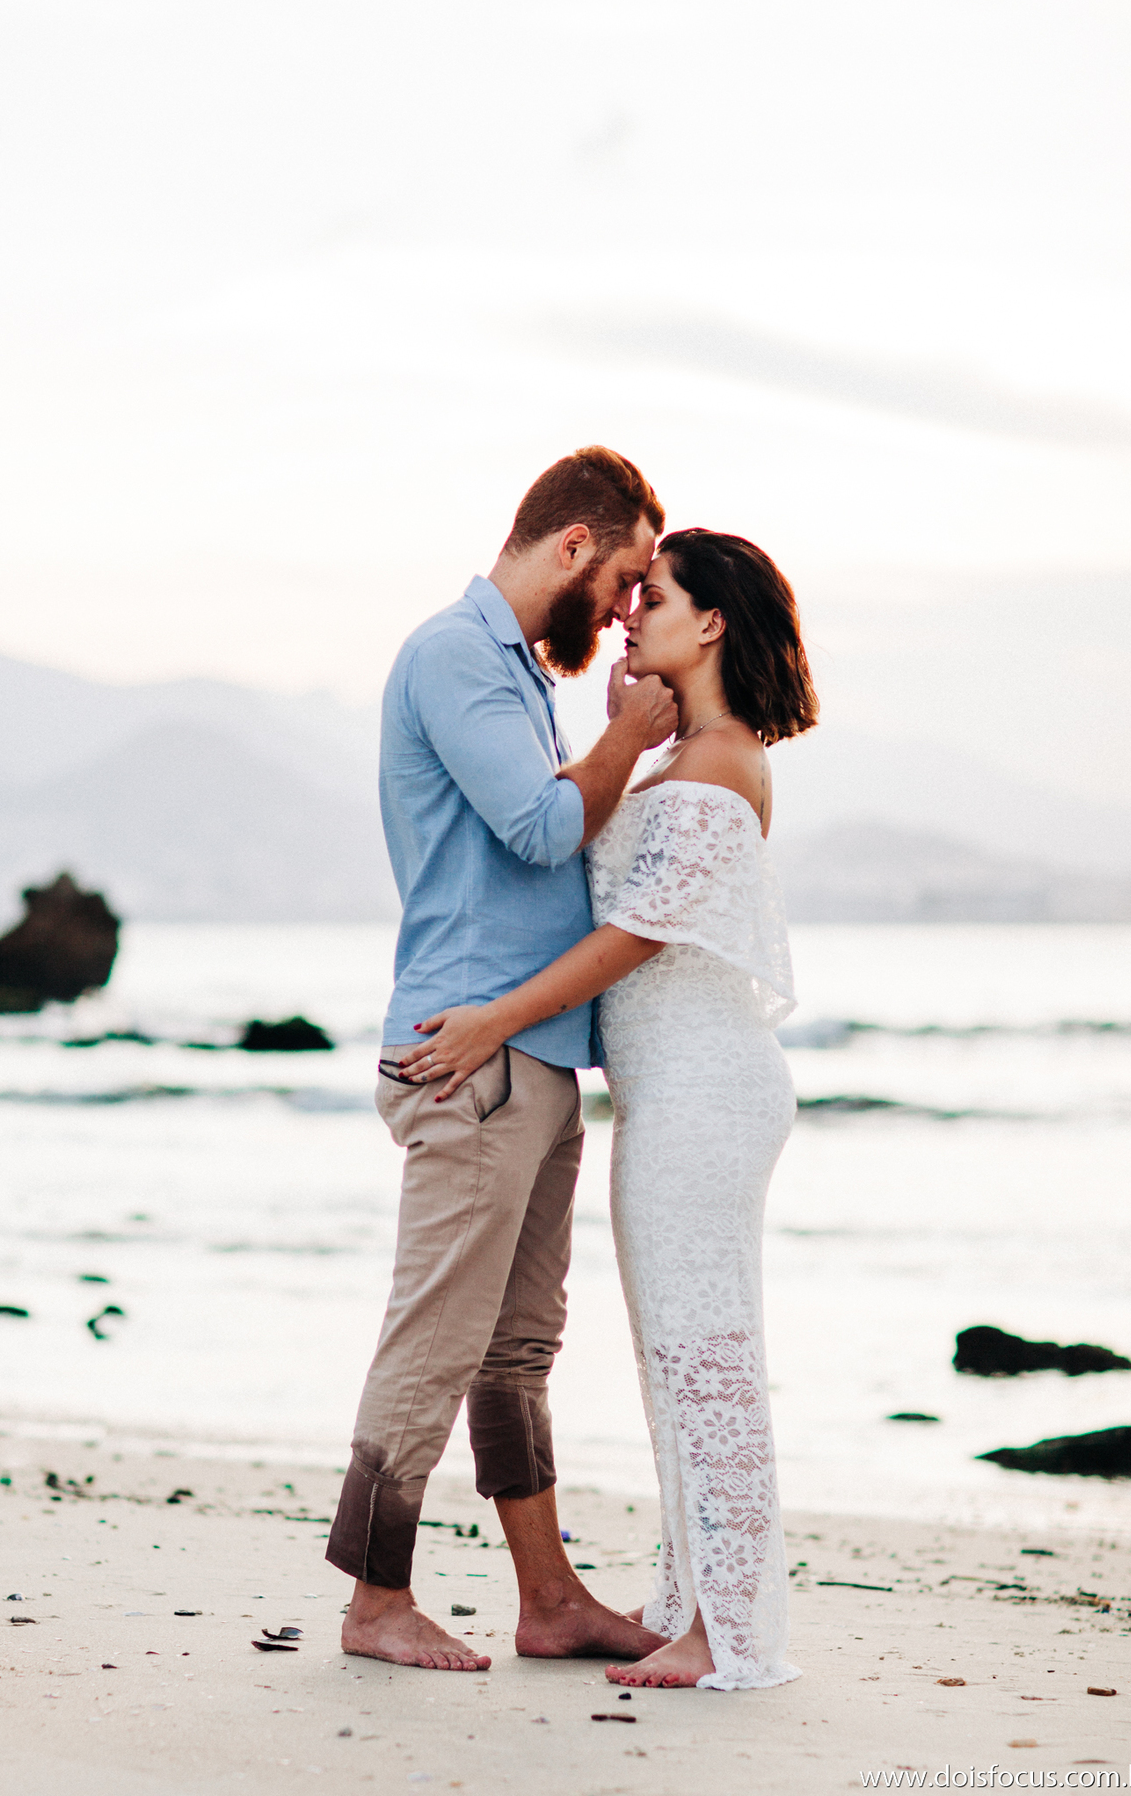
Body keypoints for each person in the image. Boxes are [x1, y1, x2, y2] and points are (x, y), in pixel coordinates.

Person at [399, 528, 819, 1690]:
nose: (631, 615)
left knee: (709, 1359)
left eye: (657, 598)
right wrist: (622, 735)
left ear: (714, 624)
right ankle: (693, 1603)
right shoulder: (679, 752)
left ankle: (728, 1636)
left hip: (703, 1092)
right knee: (673, 1356)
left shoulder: (723, 759)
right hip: (670, 1094)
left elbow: (628, 940)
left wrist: (492, 1018)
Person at [326, 446, 680, 1672]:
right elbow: (537, 828)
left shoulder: (514, 672)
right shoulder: (453, 657)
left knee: (520, 1345)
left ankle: (548, 1599)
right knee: (435, 1338)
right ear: (574, 545)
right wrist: (629, 737)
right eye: (628, 574)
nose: (629, 606)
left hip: (534, 1059)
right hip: (468, 1062)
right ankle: (376, 1602)